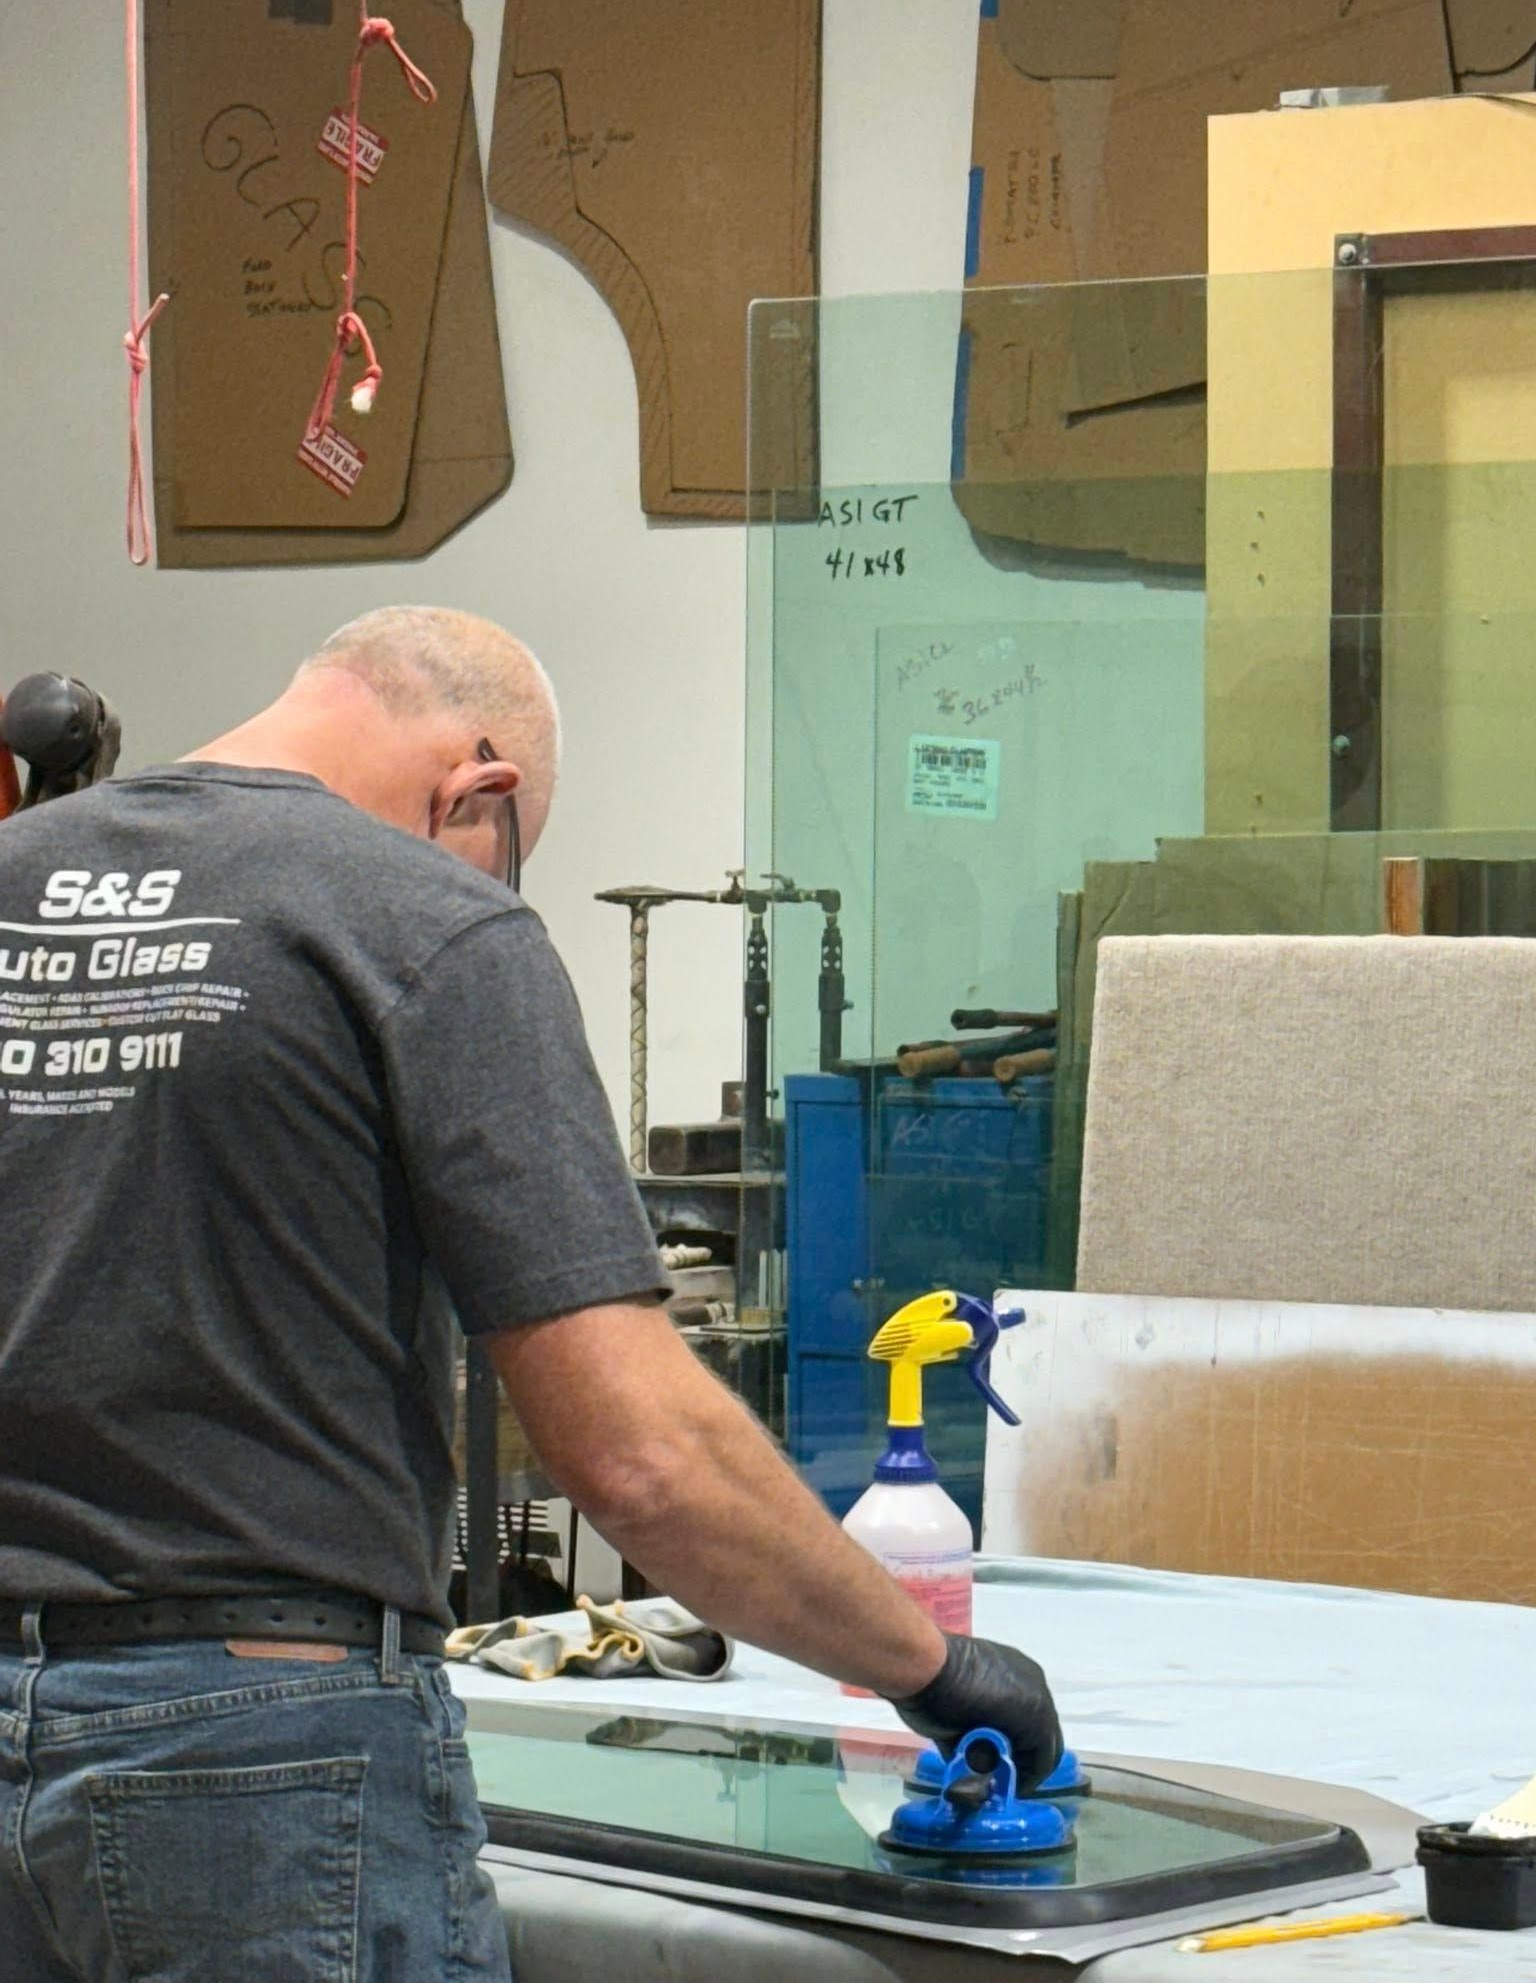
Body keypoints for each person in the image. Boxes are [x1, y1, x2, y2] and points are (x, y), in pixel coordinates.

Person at [0, 606, 1060, 1981]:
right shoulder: (423, 920)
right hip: (256, 1759)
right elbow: (641, 1459)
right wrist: (932, 1667)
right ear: (482, 792)